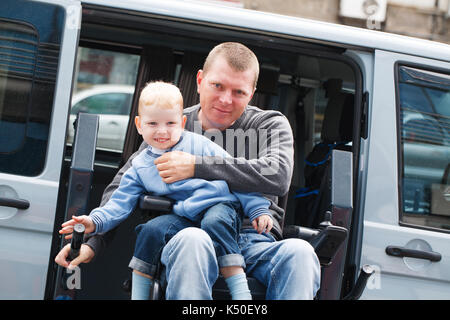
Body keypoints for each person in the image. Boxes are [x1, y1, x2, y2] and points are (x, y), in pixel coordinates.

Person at [55, 42, 321, 300]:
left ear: (251, 92)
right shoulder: (169, 123)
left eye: (238, 92)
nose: (225, 99)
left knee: (301, 253)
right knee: (193, 240)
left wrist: (196, 166)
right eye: (217, 85)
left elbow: (278, 175)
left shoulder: (268, 124)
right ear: (200, 80)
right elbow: (123, 186)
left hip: (253, 239)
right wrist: (92, 242)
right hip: (188, 234)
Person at [59, 81, 273, 300]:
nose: (162, 131)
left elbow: (236, 177)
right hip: (184, 216)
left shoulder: (199, 145)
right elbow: (118, 203)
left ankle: (240, 294)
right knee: (149, 231)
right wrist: (95, 221)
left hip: (220, 207)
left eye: (170, 123)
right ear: (139, 125)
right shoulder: (140, 166)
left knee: (214, 222)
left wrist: (258, 209)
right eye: (152, 123)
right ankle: (139, 294)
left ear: (182, 122)